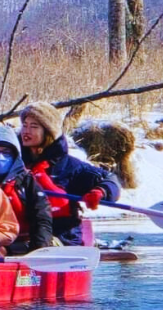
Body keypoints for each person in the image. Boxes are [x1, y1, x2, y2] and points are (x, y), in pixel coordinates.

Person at [19, 101, 121, 245]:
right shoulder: (14, 163)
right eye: (24, 125)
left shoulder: (71, 167)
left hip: (62, 237)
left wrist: (100, 192)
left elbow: (111, 180)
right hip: (21, 234)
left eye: (34, 127)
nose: (26, 131)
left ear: (48, 132)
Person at [0, 124, 51, 255]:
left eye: (6, 152)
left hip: (24, 244)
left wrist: (38, 251)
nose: (0, 157)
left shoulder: (27, 182)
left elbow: (41, 217)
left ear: (15, 156)